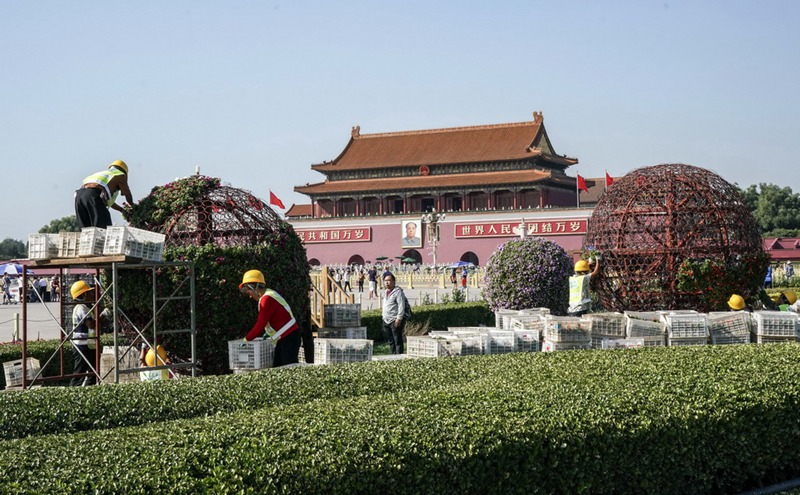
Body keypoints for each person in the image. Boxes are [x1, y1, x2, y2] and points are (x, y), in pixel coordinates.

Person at [240, 269, 301, 367]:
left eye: (249, 292)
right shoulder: (269, 295)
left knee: (287, 370)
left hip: (289, 338)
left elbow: (260, 324)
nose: (250, 296)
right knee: (278, 369)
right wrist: (268, 333)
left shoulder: (266, 299)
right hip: (286, 337)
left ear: (254, 287)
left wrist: (247, 340)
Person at [74, 159, 134, 229]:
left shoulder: (104, 174)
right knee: (103, 228)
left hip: (78, 196)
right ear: (124, 172)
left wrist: (121, 210)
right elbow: (128, 195)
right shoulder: (120, 175)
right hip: (92, 195)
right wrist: (132, 206)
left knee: (86, 230)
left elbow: (106, 202)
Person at [69, 280, 99, 386]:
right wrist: (103, 315)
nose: (91, 294)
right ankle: (73, 393)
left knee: (93, 371)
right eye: (89, 292)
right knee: (79, 372)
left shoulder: (85, 307)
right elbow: (91, 324)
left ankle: (89, 390)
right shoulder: (81, 308)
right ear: (84, 294)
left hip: (88, 345)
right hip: (81, 346)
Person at [381, 273, 409, 355]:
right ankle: (393, 356)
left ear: (394, 281)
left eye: (389, 281)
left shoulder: (398, 292)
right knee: (391, 341)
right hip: (386, 320)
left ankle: (399, 357)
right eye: (385, 281)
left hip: (395, 320)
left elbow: (401, 306)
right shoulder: (386, 292)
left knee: (397, 340)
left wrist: (399, 318)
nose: (387, 283)